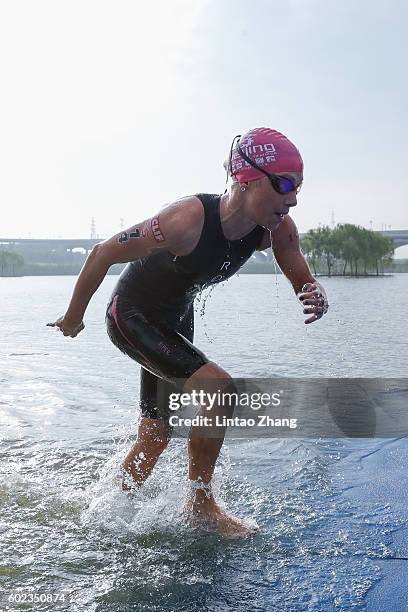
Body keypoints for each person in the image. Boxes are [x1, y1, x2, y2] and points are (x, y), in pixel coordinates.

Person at [47, 127, 329, 538]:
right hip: (132, 315)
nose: (294, 197)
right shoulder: (184, 221)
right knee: (219, 388)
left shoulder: (277, 228)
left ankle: (101, 509)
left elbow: (298, 271)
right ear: (245, 178)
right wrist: (73, 317)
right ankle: (200, 505)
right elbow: (103, 252)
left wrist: (312, 290)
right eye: (284, 183)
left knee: (156, 436)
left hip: (175, 321)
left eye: (298, 186)